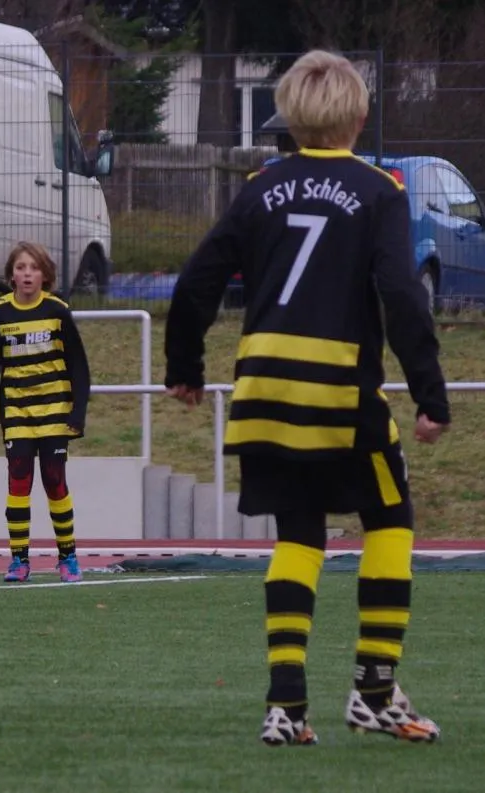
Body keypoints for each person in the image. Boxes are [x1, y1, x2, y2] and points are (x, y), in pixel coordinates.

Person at [163, 49, 449, 746]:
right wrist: (429, 391)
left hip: (263, 388)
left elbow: (196, 281)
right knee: (390, 520)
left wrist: (185, 367)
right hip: (340, 390)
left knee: (297, 534)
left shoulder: (258, 187)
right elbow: (401, 294)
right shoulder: (379, 190)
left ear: (288, 118)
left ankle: (286, 706)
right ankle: (375, 690)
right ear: (359, 116)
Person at [0, 241, 92, 584]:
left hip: (54, 411)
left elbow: (78, 366)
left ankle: (67, 556)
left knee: (55, 482)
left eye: (34, 268)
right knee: (19, 482)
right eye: (21, 268)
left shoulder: (57, 311)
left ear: (45, 275)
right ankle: (19, 560)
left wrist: (78, 413)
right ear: (11, 274)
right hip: (17, 414)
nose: (27, 274)